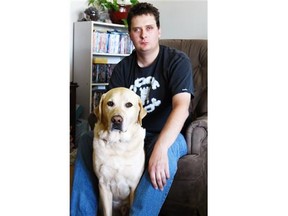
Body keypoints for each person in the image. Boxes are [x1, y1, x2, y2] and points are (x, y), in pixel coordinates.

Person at [70, 2, 194, 215]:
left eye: (149, 28)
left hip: (168, 134)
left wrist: (161, 147)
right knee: (85, 139)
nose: (143, 34)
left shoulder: (176, 61)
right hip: (131, 133)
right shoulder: (123, 68)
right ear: (130, 34)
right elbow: (107, 111)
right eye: (137, 29)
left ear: (159, 31)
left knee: (164, 155)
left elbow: (182, 107)